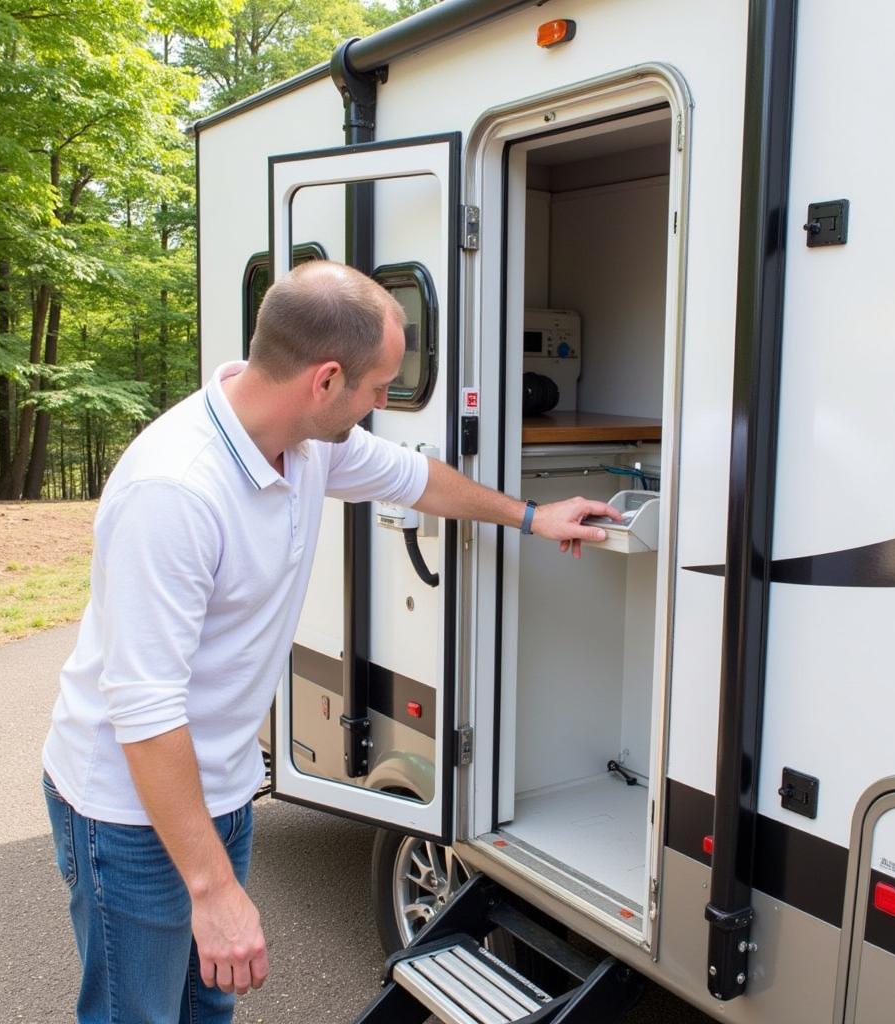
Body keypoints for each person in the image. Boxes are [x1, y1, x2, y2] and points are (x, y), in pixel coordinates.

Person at [41, 260, 621, 1023]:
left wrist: (531, 517)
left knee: (205, 1008)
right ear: (324, 381)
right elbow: (143, 711)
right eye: (380, 387)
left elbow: (417, 479)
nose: (384, 402)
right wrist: (213, 892)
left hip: (217, 785)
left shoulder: (307, 445)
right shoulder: (175, 492)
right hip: (128, 812)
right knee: (139, 1016)